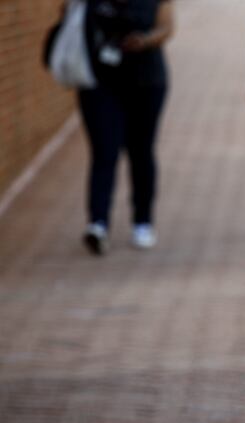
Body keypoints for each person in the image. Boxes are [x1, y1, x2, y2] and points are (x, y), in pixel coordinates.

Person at [79, 0, 174, 255]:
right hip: (100, 81)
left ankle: (142, 221)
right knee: (104, 150)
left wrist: (145, 40)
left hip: (146, 81)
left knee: (140, 151)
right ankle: (98, 223)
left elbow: (166, 27)